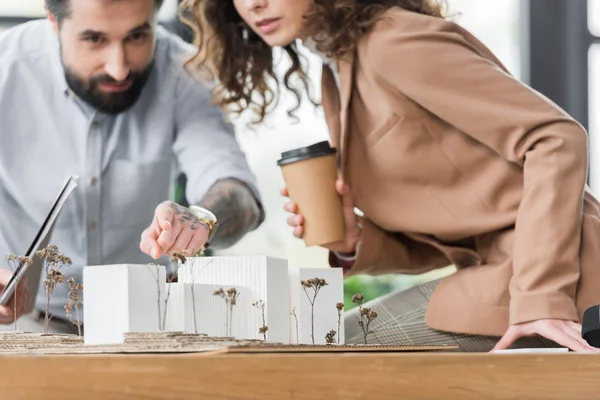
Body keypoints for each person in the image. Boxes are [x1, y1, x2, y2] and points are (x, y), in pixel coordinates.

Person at [182, 0, 600, 352]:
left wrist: (543, 298)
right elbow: (452, 237)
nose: (254, 3)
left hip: (559, 277)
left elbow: (556, 137)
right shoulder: (339, 72)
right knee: (317, 348)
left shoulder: (393, 42)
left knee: (329, 354)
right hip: (496, 276)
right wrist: (354, 241)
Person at [0, 0, 264, 334]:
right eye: (94, 39)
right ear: (53, 20)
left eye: (137, 36)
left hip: (148, 324)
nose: (119, 69)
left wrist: (200, 220)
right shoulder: (6, 68)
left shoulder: (182, 70)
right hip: (24, 326)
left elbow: (236, 191)